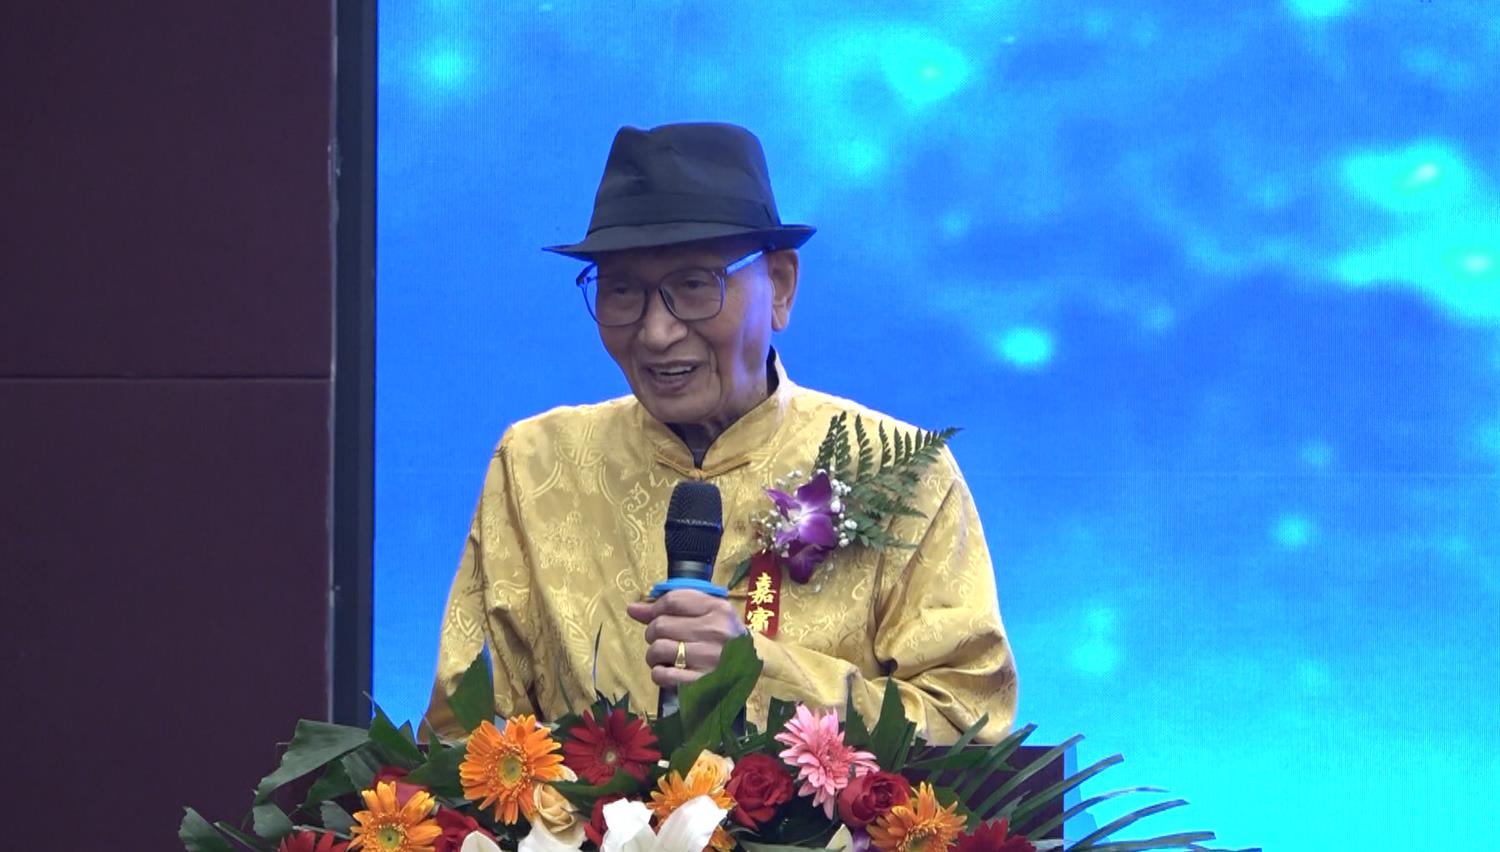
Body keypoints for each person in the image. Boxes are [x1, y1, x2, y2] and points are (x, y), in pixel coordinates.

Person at [424, 122, 1017, 743]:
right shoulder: (535, 463)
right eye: (622, 290)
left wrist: (758, 672)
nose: (656, 333)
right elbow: (459, 737)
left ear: (780, 286)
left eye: (693, 285)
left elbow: (969, 724)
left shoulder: (902, 473)